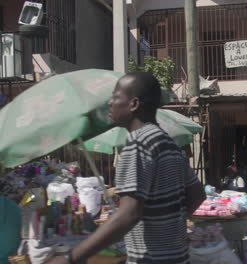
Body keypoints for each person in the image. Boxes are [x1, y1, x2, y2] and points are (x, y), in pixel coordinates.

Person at [49, 72, 206, 264]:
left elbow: (128, 214)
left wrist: (70, 257)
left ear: (133, 104)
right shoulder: (167, 142)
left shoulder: (137, 143)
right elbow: (198, 194)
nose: (110, 103)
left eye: (116, 97)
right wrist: (167, 228)